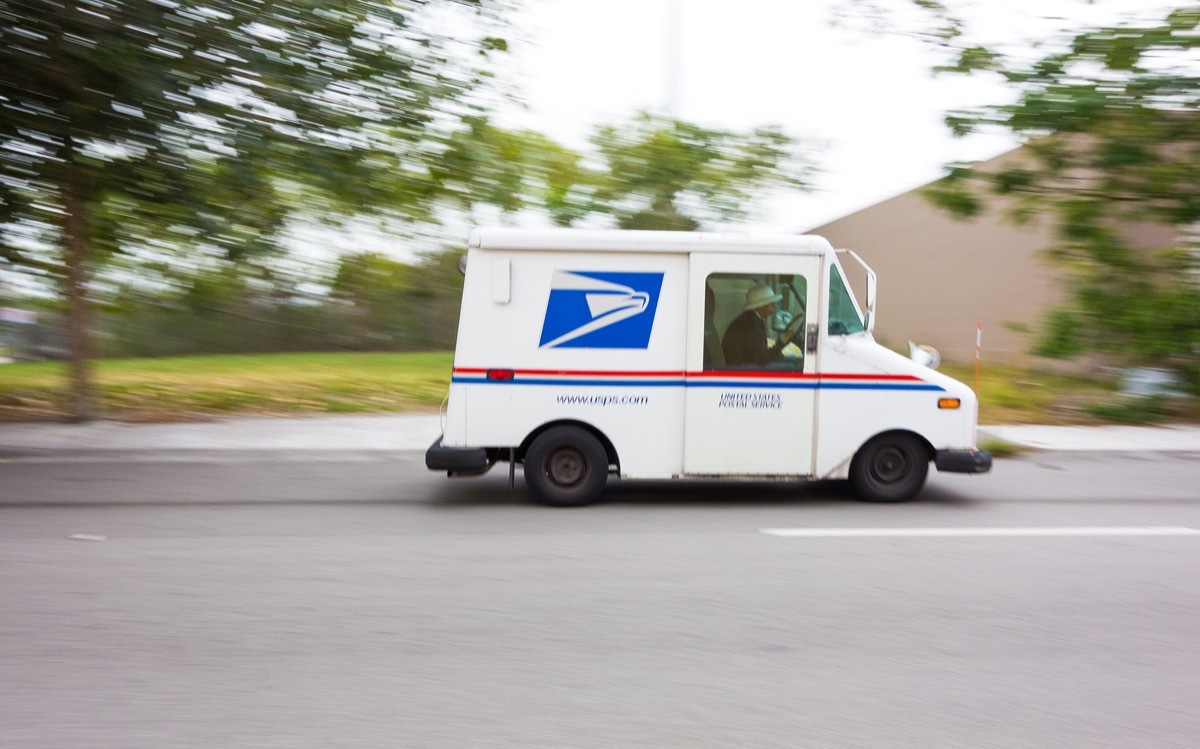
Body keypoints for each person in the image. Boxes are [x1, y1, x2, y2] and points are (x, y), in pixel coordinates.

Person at [721, 284, 798, 367]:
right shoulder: (751, 324)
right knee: (791, 367)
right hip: (744, 369)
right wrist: (784, 340)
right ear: (761, 306)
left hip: (745, 363)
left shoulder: (749, 319)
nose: (774, 307)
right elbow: (763, 359)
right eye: (771, 304)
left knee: (792, 359)